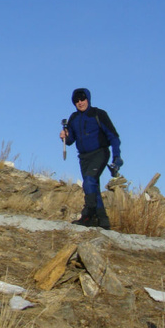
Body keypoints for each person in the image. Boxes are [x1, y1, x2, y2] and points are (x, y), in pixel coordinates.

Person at [60, 88, 122, 229]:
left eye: (82, 99)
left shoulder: (98, 114)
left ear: (88, 98)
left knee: (89, 182)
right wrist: (64, 136)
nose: (80, 102)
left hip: (100, 153)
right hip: (84, 157)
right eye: (76, 100)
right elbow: (70, 141)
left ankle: (88, 215)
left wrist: (116, 155)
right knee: (92, 187)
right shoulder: (74, 118)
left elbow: (113, 136)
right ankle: (104, 222)